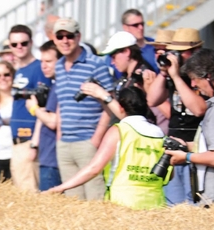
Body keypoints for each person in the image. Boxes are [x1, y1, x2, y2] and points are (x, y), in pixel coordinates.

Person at [47, 86, 167, 209]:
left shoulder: (119, 130)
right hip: (155, 203)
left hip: (123, 202)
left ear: (120, 107)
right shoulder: (160, 133)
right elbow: (168, 174)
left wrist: (61, 187)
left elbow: (94, 168)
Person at [52, 17, 115, 201]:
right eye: (60, 36)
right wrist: (59, 137)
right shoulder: (58, 66)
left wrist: (96, 139)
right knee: (72, 203)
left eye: (69, 36)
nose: (65, 40)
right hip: (65, 143)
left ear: (78, 37)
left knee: (95, 199)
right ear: (54, 39)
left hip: (88, 141)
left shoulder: (96, 64)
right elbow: (61, 104)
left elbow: (110, 103)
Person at [146, 27, 206, 205]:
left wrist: (177, 78)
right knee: (174, 205)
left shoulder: (203, 78)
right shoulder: (174, 74)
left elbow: (199, 110)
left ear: (196, 51)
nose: (177, 56)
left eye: (181, 52)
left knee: (195, 203)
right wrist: (164, 73)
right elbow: (152, 100)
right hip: (174, 144)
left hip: (195, 148)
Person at [165, 49, 214, 206]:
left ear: (208, 76)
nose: (193, 85)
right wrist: (186, 146)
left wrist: (186, 157)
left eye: (194, 79)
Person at [7, 25, 48, 191]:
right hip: (18, 142)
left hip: (29, 141)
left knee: (30, 196)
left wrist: (34, 144)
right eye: (14, 44)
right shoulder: (19, 70)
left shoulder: (39, 68)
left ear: (31, 43)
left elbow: (44, 108)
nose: (19, 47)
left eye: (23, 43)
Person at [83, 31, 157, 123]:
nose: (112, 62)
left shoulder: (142, 76)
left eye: (113, 57)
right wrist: (99, 95)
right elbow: (116, 111)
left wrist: (103, 94)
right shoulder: (126, 77)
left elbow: (129, 116)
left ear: (126, 52)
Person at [29, 40, 62, 191]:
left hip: (52, 161)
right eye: (42, 61)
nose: (43, 66)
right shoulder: (55, 84)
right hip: (49, 157)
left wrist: (34, 109)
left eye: (49, 61)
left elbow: (53, 122)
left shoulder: (59, 86)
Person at [120, 8, 158, 73]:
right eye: (136, 25)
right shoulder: (118, 52)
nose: (141, 28)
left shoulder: (155, 45)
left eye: (142, 24)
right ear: (125, 27)